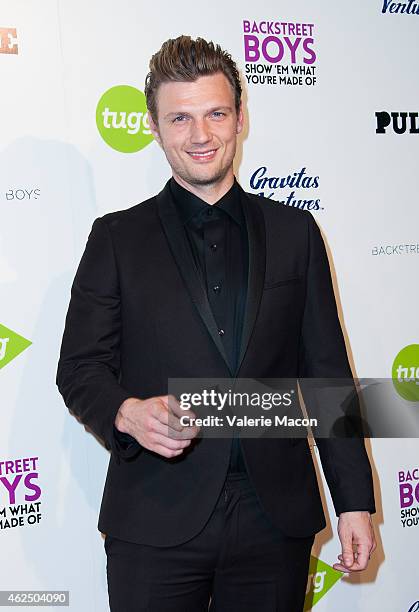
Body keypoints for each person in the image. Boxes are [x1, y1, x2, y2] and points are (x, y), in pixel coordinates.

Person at [56, 35, 376, 612]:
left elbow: (326, 374)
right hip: (154, 518)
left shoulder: (295, 232)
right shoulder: (116, 239)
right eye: (180, 118)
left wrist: (354, 500)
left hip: (274, 520)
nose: (200, 136)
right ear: (153, 126)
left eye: (215, 114)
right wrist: (126, 412)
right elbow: (79, 369)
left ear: (240, 117)